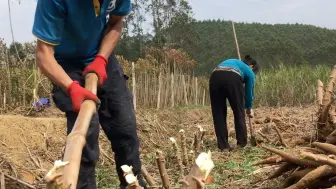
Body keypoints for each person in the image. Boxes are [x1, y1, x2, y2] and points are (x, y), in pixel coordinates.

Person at [32, 0, 147, 188]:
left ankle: (133, 183)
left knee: (125, 128)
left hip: (101, 57)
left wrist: (101, 58)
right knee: (85, 138)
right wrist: (71, 87)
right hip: (66, 66)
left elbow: (116, 22)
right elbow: (44, 54)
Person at [209, 55, 260, 151]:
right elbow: (249, 92)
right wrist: (249, 107)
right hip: (232, 77)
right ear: (252, 66)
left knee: (218, 113)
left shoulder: (236, 63)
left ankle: (223, 146)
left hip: (214, 77)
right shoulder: (250, 72)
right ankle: (242, 144)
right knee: (239, 111)